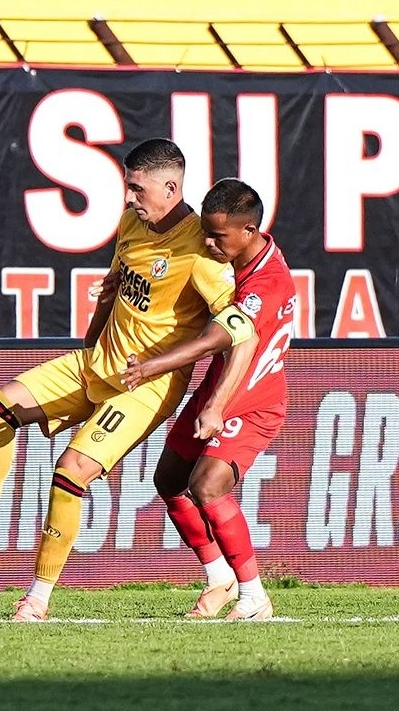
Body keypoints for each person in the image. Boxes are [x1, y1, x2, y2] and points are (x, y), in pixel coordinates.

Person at [0, 138, 237, 620]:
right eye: (127, 188)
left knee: (70, 474)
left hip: (145, 385)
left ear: (171, 187)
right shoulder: (134, 222)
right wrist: (90, 341)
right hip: (97, 361)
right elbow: (114, 287)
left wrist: (211, 397)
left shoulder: (202, 251)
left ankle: (37, 600)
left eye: (136, 189)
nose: (128, 198)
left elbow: (230, 329)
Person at [120, 178, 295, 621]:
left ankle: (254, 596)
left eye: (219, 235)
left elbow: (230, 336)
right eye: (207, 232)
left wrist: (158, 369)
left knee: (207, 486)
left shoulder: (266, 285)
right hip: (217, 392)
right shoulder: (234, 264)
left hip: (253, 404)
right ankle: (219, 575)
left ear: (249, 231)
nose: (210, 242)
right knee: (168, 480)